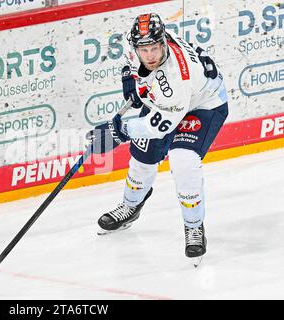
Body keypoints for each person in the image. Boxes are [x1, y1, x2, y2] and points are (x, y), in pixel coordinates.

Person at [86, 13, 229, 261]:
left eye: (155, 48)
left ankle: (194, 225)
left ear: (163, 43)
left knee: (182, 158)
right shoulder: (138, 47)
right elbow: (130, 63)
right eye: (145, 50)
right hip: (166, 103)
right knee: (143, 157)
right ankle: (130, 207)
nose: (150, 55)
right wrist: (129, 79)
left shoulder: (177, 77)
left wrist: (118, 132)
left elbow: (160, 125)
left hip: (203, 105)